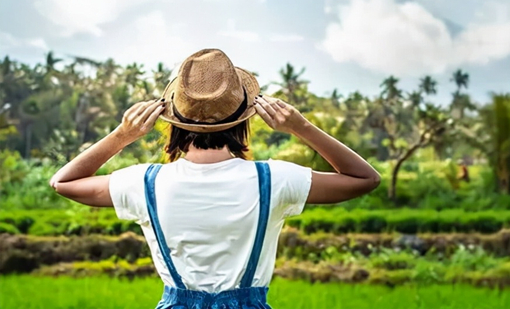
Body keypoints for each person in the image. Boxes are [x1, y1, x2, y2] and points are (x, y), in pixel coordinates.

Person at [48, 49, 381, 309]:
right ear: (244, 118)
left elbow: (62, 182)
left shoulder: (144, 183)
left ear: (174, 119)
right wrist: (300, 126)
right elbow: (364, 178)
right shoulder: (274, 178)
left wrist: (123, 136)